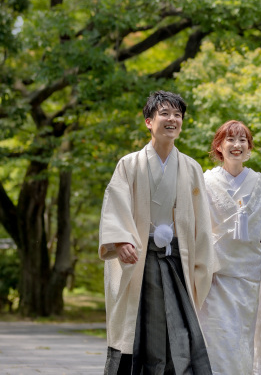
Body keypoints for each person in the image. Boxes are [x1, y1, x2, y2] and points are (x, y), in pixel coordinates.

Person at [99, 91, 214, 375]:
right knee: (139, 328)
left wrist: (202, 265)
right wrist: (121, 239)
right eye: (165, 113)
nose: (172, 119)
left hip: (178, 261)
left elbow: (202, 223)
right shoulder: (129, 165)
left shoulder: (191, 168)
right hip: (141, 258)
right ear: (149, 121)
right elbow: (116, 205)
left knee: (179, 330)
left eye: (177, 115)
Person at [198, 120, 261, 375]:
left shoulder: (260, 184)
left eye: (243, 140)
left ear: (249, 147)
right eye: (230, 139)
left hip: (250, 280)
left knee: (246, 342)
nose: (237, 145)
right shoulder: (205, 182)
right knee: (219, 340)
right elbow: (195, 228)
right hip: (216, 278)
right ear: (219, 146)